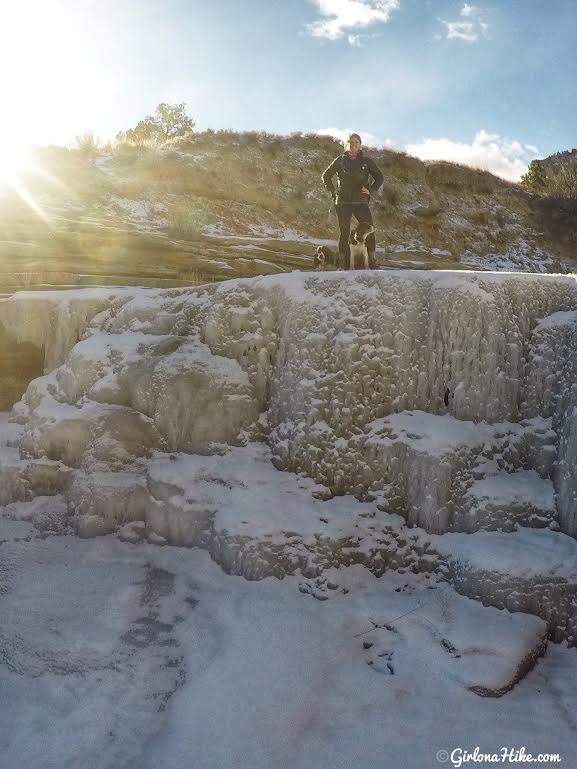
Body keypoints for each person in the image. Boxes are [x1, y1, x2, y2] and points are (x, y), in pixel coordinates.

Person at [321, 133, 384, 269]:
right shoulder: (339, 160)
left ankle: (372, 261)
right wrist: (333, 190)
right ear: (346, 145)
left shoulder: (367, 162)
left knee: (370, 230)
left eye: (356, 142)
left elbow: (379, 177)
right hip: (342, 202)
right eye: (351, 142)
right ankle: (343, 263)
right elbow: (326, 176)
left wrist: (371, 190)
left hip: (361, 202)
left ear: (360, 145)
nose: (353, 144)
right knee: (344, 232)